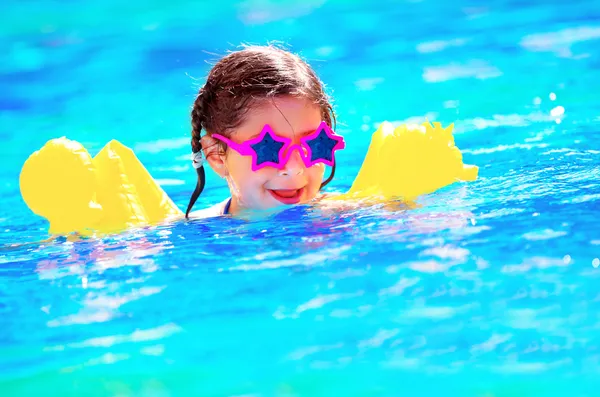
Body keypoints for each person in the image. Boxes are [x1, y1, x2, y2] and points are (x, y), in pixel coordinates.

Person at [185, 45, 346, 219]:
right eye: (268, 149)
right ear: (217, 155)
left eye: (315, 144)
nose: (294, 168)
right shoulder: (191, 235)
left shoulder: (350, 217)